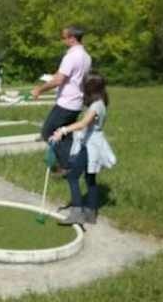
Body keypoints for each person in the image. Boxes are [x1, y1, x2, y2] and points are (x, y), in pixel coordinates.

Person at [50, 73, 117, 225]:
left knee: (72, 176)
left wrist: (63, 130)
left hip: (91, 146)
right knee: (89, 178)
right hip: (92, 144)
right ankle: (90, 213)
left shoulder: (96, 106)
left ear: (90, 89)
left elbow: (83, 123)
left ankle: (77, 213)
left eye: (83, 87)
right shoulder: (100, 103)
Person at [32, 26, 92, 172]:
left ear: (72, 39)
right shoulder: (86, 57)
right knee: (65, 134)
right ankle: (71, 163)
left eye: (63, 37)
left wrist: (39, 89)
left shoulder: (71, 57)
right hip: (76, 103)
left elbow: (59, 80)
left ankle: (67, 167)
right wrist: (52, 77)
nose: (62, 40)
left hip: (66, 103)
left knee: (47, 132)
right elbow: (64, 75)